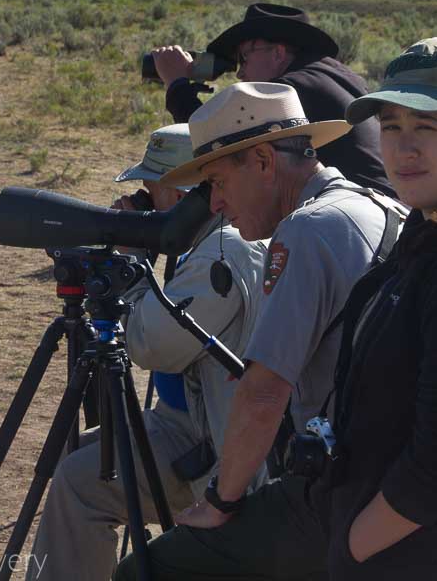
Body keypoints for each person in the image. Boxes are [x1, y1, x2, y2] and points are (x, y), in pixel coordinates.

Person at [120, 38, 437, 581]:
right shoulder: (431, 230)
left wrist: (349, 551)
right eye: (392, 126)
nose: (403, 148)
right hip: (393, 534)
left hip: (435, 556)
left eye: (426, 127)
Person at [115, 82, 403, 581]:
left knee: (147, 570)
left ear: (265, 162)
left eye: (219, 182)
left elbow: (266, 392)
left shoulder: (306, 230)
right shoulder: (376, 205)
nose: (217, 204)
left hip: (341, 487)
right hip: (387, 475)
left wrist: (221, 500)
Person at [24, 123, 268, 581]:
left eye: (149, 189)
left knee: (80, 484)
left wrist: (133, 267)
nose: (141, 201)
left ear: (179, 194)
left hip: (217, 444)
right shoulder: (208, 237)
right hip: (192, 420)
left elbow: (152, 346)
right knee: (71, 456)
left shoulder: (222, 250)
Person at [151, 3, 395, 198]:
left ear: (278, 52)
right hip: (383, 210)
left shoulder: (291, 89)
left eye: (244, 58)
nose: (239, 72)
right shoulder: (339, 76)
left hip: (353, 217)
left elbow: (219, 152)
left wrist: (176, 83)